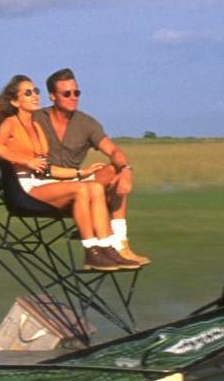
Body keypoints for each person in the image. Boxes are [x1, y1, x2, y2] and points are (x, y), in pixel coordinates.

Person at [0, 75, 138, 272]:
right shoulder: (10, 123)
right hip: (23, 188)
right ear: (15, 101)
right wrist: (27, 161)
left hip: (40, 182)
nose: (35, 96)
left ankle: (108, 247)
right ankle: (91, 251)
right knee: (82, 191)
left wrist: (81, 173)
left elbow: (47, 168)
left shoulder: (37, 127)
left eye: (36, 91)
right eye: (28, 93)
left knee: (94, 188)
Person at [34, 68, 148, 265]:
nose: (73, 98)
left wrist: (126, 170)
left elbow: (114, 151)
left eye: (76, 93)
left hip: (77, 181)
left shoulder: (86, 123)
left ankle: (121, 243)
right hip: (46, 183)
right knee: (89, 187)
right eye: (67, 93)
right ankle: (98, 242)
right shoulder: (36, 118)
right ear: (52, 96)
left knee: (114, 170)